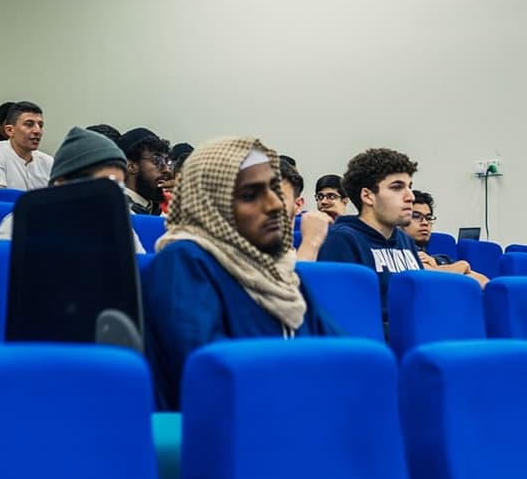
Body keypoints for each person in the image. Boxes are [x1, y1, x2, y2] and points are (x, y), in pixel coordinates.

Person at [143, 136, 338, 410]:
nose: (275, 205)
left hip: (296, 419)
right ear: (210, 205)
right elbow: (213, 375)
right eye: (250, 195)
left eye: (274, 189)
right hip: (231, 437)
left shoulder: (276, 268)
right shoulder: (184, 263)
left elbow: (340, 352)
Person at [0, 126, 142, 253]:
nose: (115, 199)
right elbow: (0, 280)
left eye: (120, 189)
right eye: (106, 188)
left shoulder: (119, 228)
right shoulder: (22, 225)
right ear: (62, 184)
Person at [316, 147, 421, 309]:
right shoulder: (341, 240)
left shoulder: (405, 241)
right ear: (367, 196)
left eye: (409, 187)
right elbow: (342, 313)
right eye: (397, 187)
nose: (410, 197)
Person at [0, 100, 52, 189]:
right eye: (29, 124)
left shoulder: (48, 162)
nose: (37, 131)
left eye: (40, 125)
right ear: (10, 130)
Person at [118, 127, 170, 215]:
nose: (166, 169)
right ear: (131, 166)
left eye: (167, 161)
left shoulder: (160, 214)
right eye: (157, 160)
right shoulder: (114, 213)